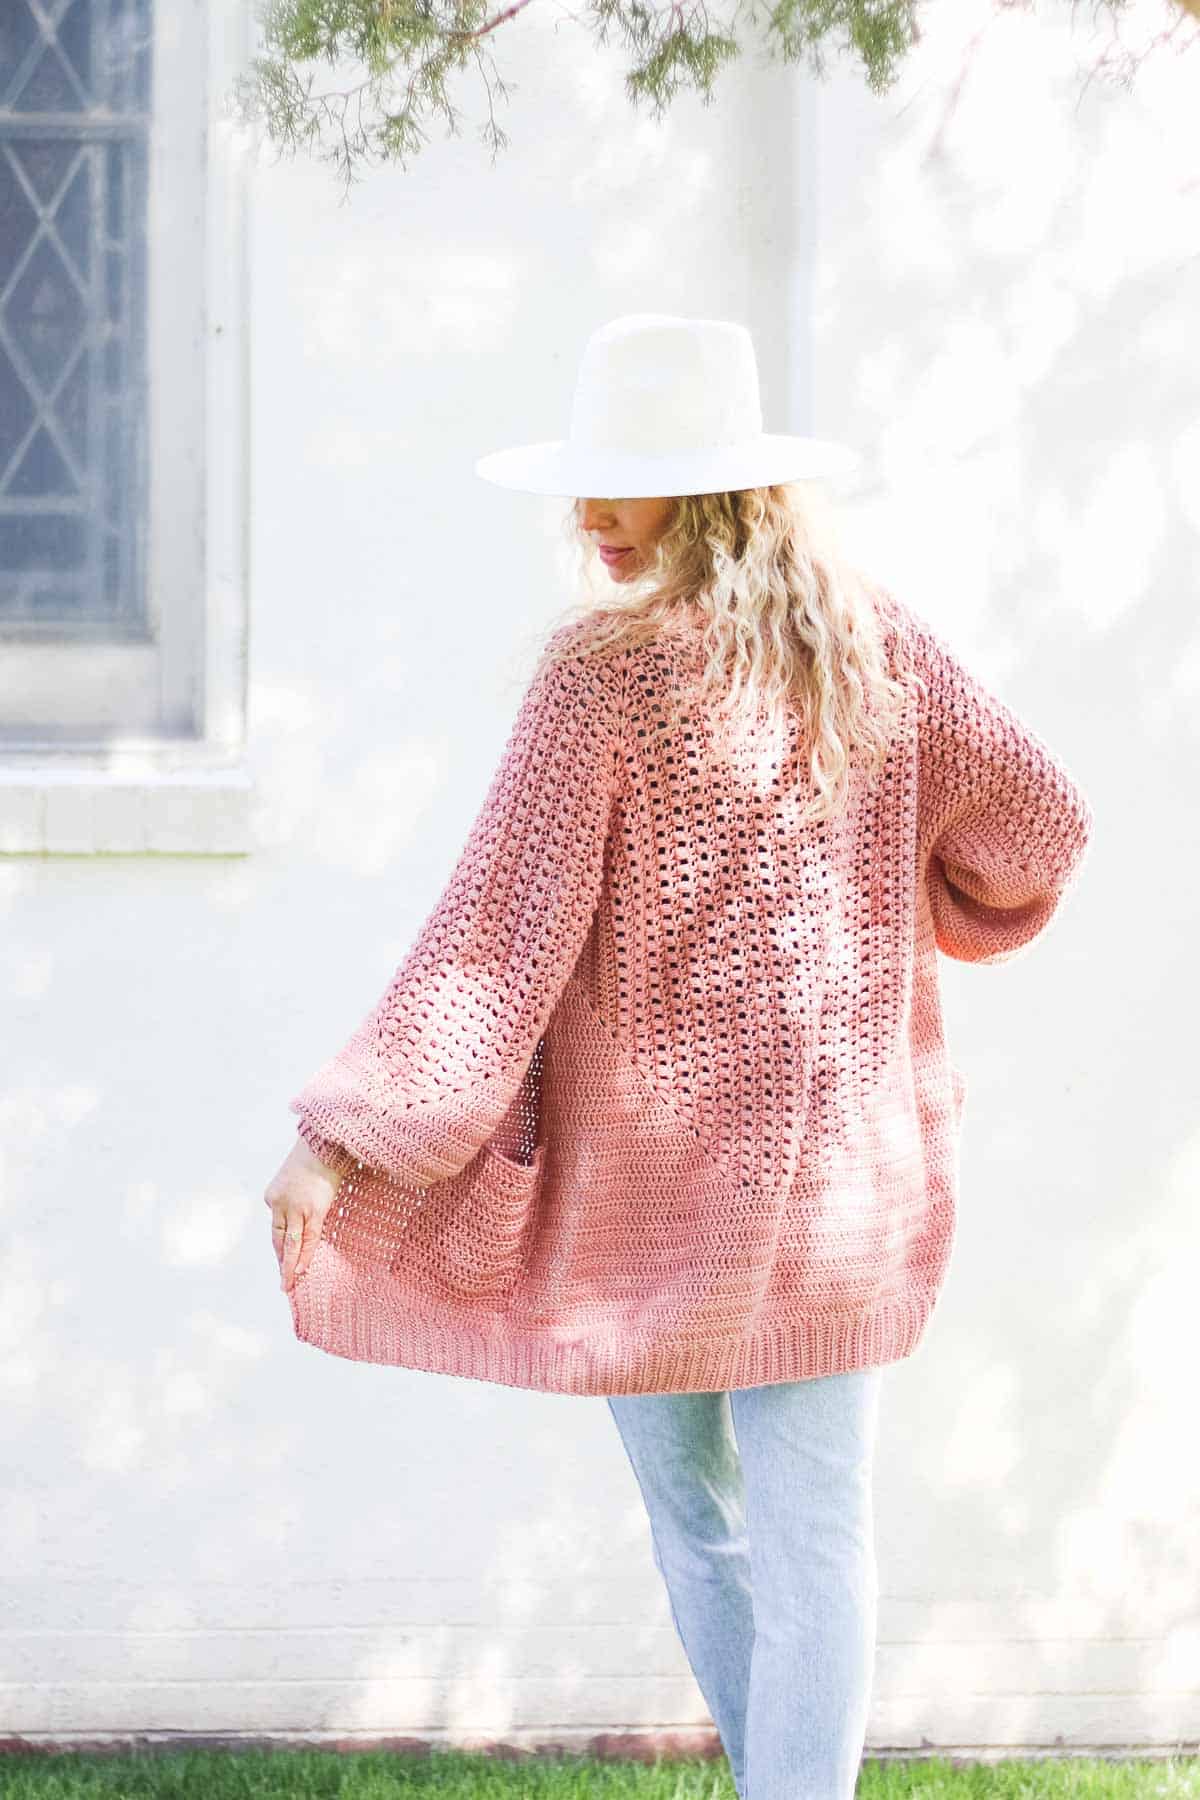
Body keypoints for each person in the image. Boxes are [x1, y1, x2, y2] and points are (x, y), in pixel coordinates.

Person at [263, 313, 1093, 1797]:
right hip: (845, 1186)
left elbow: (491, 940)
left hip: (650, 1198)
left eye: (621, 484)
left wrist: (340, 1140)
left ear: (710, 491)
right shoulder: (876, 649)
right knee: (815, 1532)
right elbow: (1036, 830)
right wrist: (922, 890)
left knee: (709, 1523)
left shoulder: (603, 681)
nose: (587, 517)